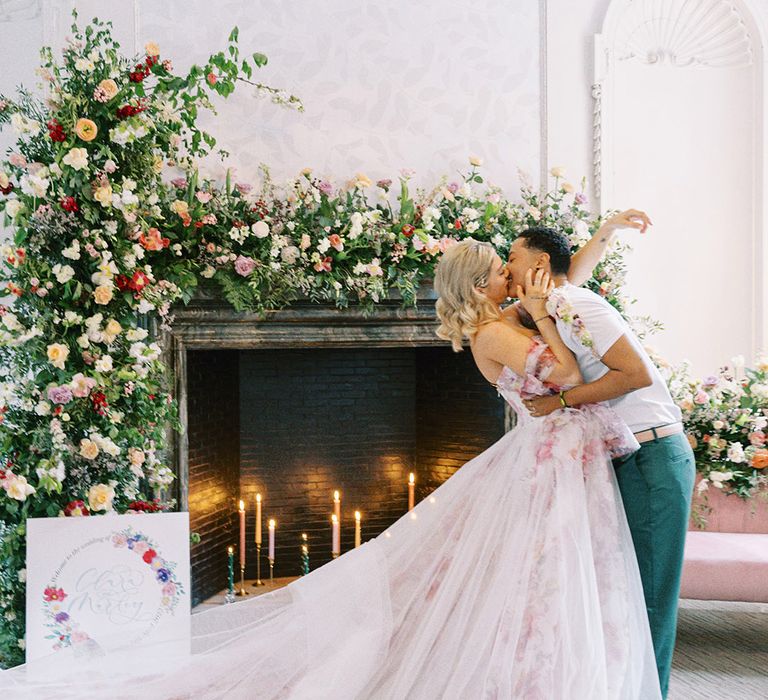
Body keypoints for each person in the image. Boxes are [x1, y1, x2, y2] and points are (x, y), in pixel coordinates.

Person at [1, 238, 661, 700]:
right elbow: (569, 373)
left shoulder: (499, 324)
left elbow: (565, 293)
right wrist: (546, 314)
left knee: (545, 572)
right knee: (543, 571)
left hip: (550, 458)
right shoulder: (497, 333)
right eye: (497, 272)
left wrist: (592, 248)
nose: (508, 279)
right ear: (477, 285)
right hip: (547, 460)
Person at [509, 220, 696, 699]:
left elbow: (633, 374)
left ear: (538, 264)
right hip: (627, 455)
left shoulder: (573, 303)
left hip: (653, 456)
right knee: (623, 595)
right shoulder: (553, 306)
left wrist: (561, 404)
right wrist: (607, 230)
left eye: (512, 258)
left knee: (649, 598)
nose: (507, 268)